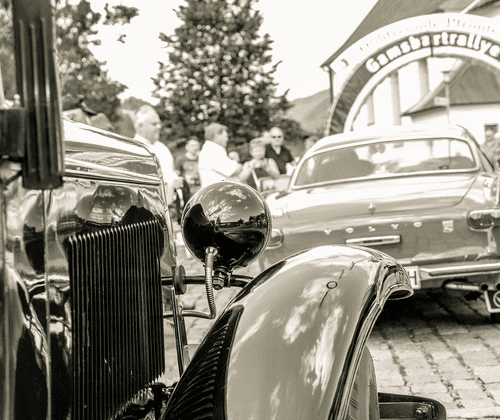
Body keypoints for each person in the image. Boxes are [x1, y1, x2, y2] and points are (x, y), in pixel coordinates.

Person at [133, 105, 182, 205]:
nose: (159, 127)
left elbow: (171, 173)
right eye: (154, 124)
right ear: (140, 126)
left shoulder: (163, 148)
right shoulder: (133, 148)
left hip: (169, 207)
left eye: (159, 123)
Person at [198, 122, 243, 187]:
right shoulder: (212, 150)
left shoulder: (211, 149)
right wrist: (236, 160)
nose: (227, 139)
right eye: (225, 136)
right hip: (216, 191)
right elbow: (232, 170)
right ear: (217, 135)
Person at [175, 136, 201, 207]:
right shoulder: (181, 159)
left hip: (199, 192)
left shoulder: (201, 159)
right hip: (186, 193)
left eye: (196, 145)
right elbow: (176, 175)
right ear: (187, 147)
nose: (195, 148)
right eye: (192, 145)